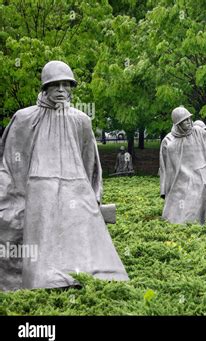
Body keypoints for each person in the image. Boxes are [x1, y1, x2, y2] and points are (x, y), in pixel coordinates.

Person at [0, 60, 129, 291]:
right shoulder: (24, 118)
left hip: (76, 187)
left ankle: (85, 281)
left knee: (84, 242)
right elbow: (11, 162)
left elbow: (90, 161)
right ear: (45, 88)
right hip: (40, 187)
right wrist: (13, 197)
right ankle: (43, 286)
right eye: (55, 84)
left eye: (66, 84)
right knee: (44, 245)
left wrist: (93, 195)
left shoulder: (81, 120)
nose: (61, 90)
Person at [159, 106, 206, 224]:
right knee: (178, 208)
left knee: (204, 201)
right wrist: (164, 189)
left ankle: (203, 225)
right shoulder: (168, 141)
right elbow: (164, 168)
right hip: (180, 180)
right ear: (178, 123)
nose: (189, 122)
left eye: (189, 118)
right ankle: (182, 228)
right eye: (184, 120)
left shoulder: (199, 132)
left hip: (201, 177)